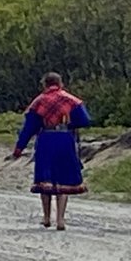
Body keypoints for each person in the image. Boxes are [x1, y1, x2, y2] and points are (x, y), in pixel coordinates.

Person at [12, 72, 92, 231]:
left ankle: (47, 217)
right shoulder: (71, 100)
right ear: (60, 83)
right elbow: (85, 120)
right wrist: (69, 123)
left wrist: (19, 147)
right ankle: (60, 219)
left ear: (45, 84)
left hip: (46, 140)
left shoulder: (39, 101)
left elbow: (29, 127)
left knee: (45, 178)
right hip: (65, 139)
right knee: (64, 179)